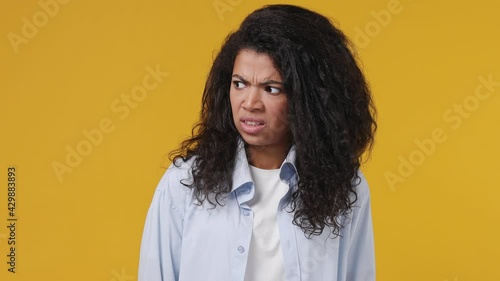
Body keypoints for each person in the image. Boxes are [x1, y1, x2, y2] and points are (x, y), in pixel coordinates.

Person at [138, 4, 377, 281]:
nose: (249, 103)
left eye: (271, 88)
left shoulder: (346, 189)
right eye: (239, 84)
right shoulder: (184, 183)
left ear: (310, 100)